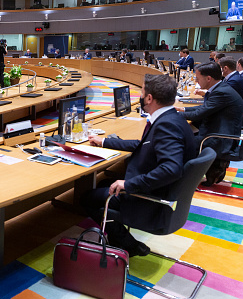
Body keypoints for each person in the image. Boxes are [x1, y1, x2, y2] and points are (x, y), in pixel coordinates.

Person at [83, 74, 196, 256]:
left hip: (149, 200)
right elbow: (143, 144)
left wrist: (128, 184)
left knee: (87, 198)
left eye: (142, 92)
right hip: (166, 194)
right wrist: (104, 141)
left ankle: (127, 244)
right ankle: (124, 241)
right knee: (103, 185)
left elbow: (170, 169)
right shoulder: (171, 118)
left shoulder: (166, 125)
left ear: (149, 98)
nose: (140, 96)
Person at [177, 62, 243, 185]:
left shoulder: (221, 92)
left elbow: (198, 114)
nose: (196, 81)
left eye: (197, 78)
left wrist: (171, 114)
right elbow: (205, 107)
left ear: (208, 78)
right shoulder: (221, 88)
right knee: (186, 132)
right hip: (219, 132)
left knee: (178, 141)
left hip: (219, 138)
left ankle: (183, 180)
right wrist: (183, 109)